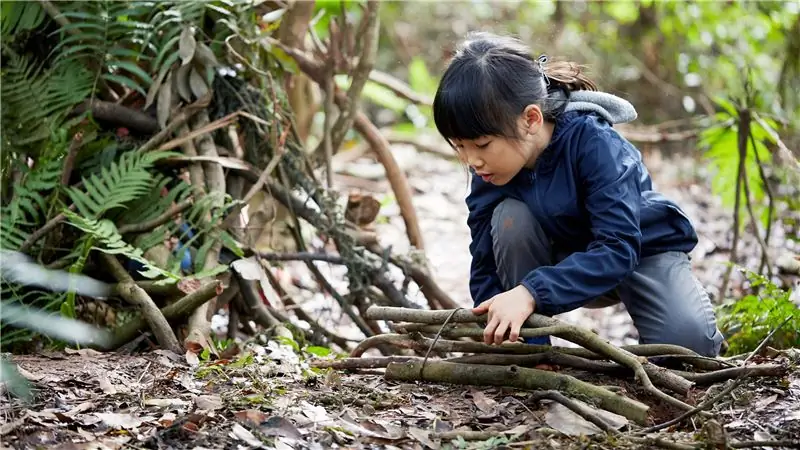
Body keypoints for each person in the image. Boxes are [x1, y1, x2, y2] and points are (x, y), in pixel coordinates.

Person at [432, 32, 725, 357]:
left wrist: (530, 292)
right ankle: (531, 349)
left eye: (482, 144)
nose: (471, 160)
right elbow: (485, 261)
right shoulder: (491, 168)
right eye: (459, 146)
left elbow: (618, 247)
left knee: (687, 349)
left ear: (530, 119)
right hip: (564, 256)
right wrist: (496, 325)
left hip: (638, 251)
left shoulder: (595, 144)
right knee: (509, 219)